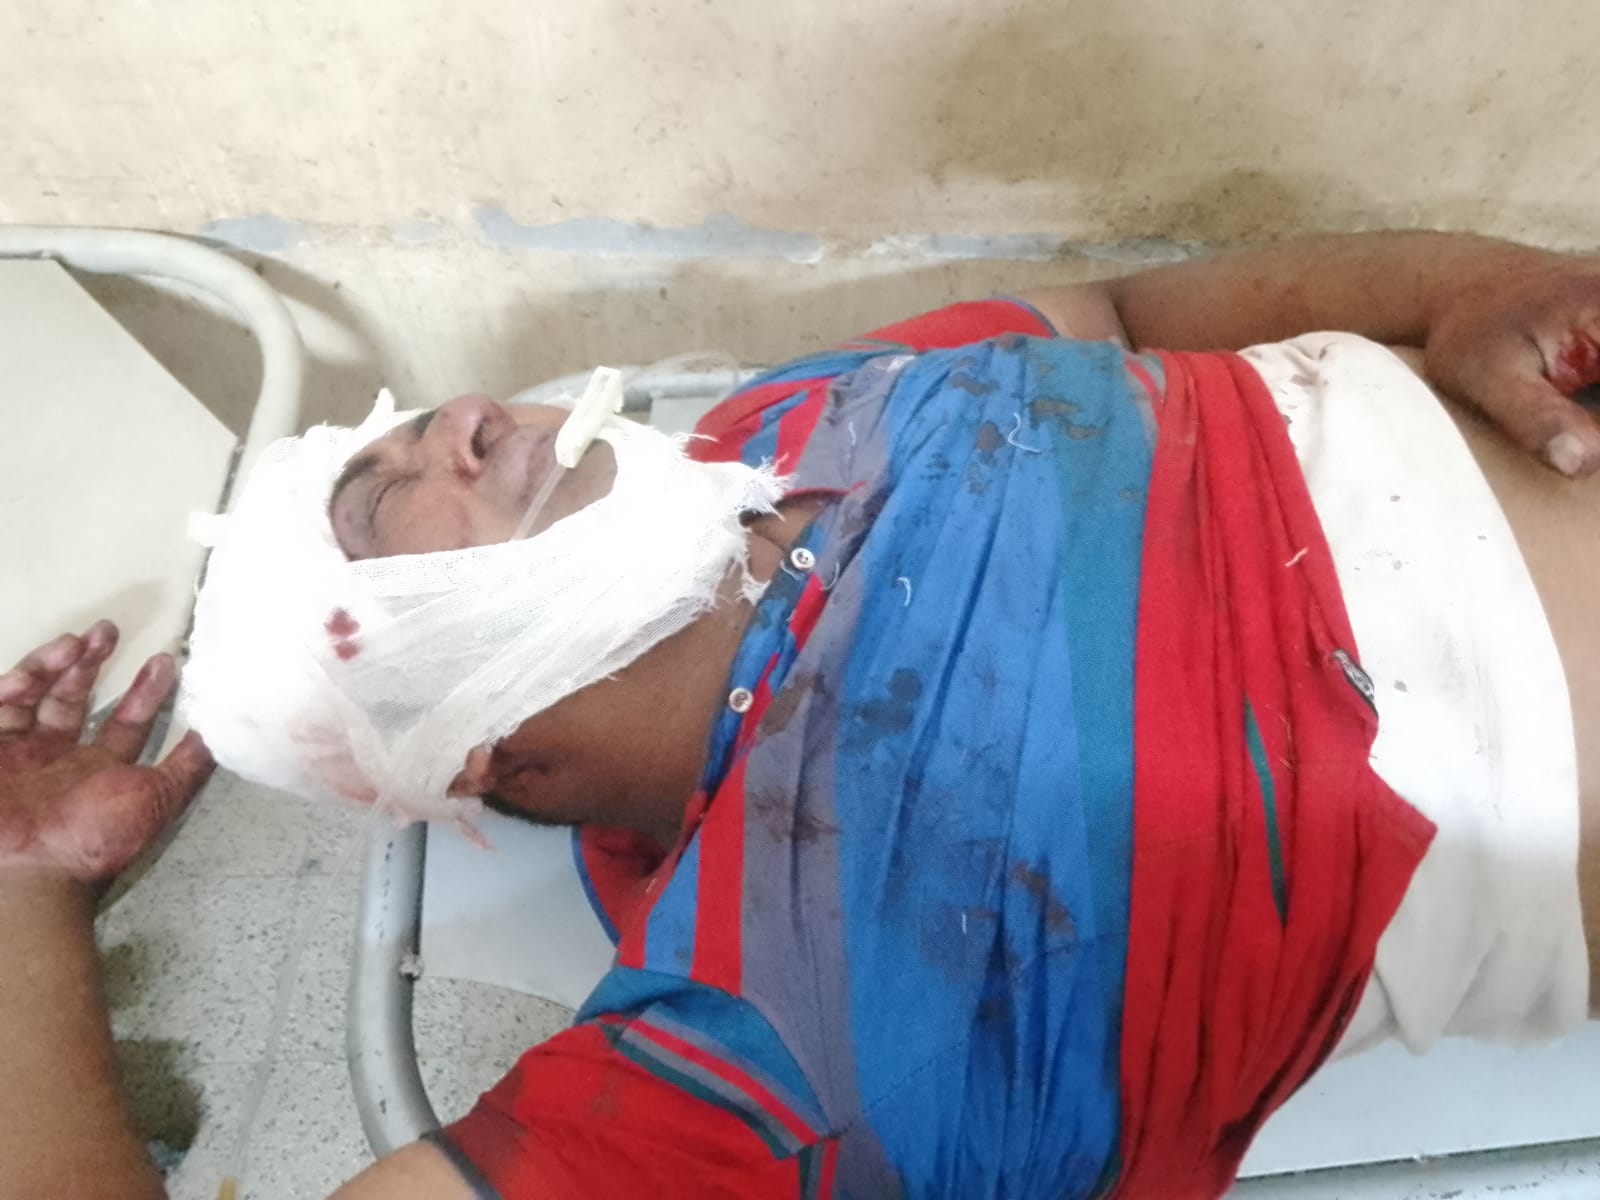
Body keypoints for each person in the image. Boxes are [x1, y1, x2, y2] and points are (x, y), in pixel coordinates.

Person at [3, 230, 1600, 1200]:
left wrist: (1465, 283)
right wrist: (20, 899)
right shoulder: (781, 1028)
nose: (464, 419)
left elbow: (1118, 307)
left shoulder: (784, 421)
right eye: (384, 499)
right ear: (480, 747)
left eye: (417, 422)